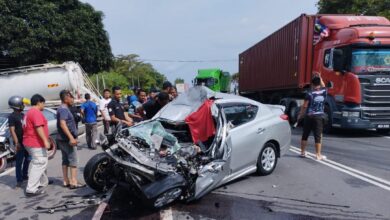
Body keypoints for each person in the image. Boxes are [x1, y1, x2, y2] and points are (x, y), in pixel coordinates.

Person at [56, 90, 85, 189]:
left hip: (62, 139)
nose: (73, 99)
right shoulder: (64, 109)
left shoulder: (61, 108)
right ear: (66, 98)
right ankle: (73, 181)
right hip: (67, 140)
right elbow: (63, 124)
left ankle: (66, 180)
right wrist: (71, 138)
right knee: (73, 160)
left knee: (65, 160)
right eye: (71, 97)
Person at [23, 94, 50, 196]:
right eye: (43, 104)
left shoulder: (29, 112)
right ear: (39, 102)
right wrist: (45, 141)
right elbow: (39, 127)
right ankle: (31, 188)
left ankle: (42, 182)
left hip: (29, 141)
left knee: (39, 162)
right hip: (35, 142)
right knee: (40, 163)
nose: (44, 106)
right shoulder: (35, 112)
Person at [298, 74, 327, 160]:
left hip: (309, 116)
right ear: (319, 83)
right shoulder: (324, 91)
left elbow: (305, 106)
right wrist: (320, 77)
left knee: (305, 134)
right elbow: (323, 85)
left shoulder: (309, 94)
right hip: (318, 116)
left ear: (312, 84)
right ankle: (318, 155)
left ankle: (302, 152)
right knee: (318, 136)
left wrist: (300, 114)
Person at [8, 96, 30, 188]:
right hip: (19, 142)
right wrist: (17, 143)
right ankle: (19, 180)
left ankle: (25, 175)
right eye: (21, 104)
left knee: (28, 159)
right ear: (16, 105)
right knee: (19, 162)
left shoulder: (22, 115)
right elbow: (12, 130)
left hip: (26, 141)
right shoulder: (12, 117)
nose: (23, 106)